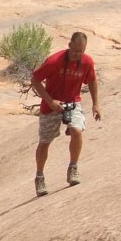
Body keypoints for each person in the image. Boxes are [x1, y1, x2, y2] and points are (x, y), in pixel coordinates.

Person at [29, 31, 101, 196]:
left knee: (77, 130)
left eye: (81, 51)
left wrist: (96, 104)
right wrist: (49, 101)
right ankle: (39, 177)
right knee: (45, 141)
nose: (77, 55)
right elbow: (35, 80)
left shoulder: (86, 62)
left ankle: (73, 168)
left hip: (72, 101)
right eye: (75, 51)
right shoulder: (54, 61)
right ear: (69, 45)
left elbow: (91, 80)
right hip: (52, 103)